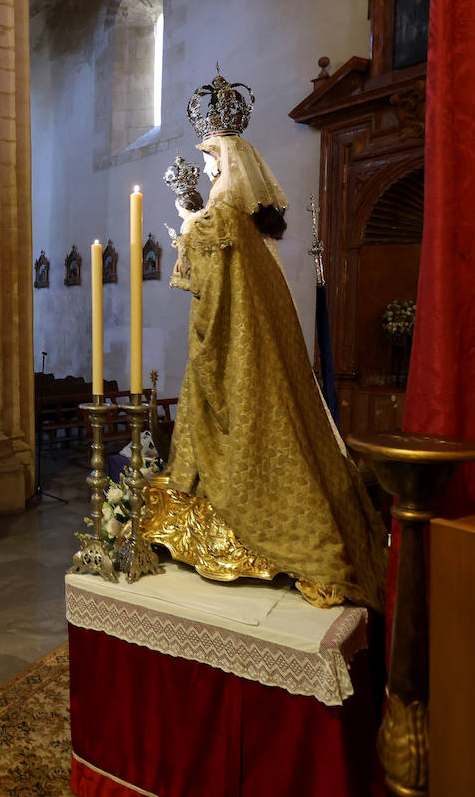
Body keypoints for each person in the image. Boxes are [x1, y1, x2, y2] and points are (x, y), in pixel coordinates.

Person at [164, 78, 386, 609]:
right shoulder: (243, 225)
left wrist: (184, 218)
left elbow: (209, 278)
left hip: (237, 351)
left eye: (213, 157)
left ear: (228, 160)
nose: (212, 167)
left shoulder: (224, 218)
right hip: (249, 343)